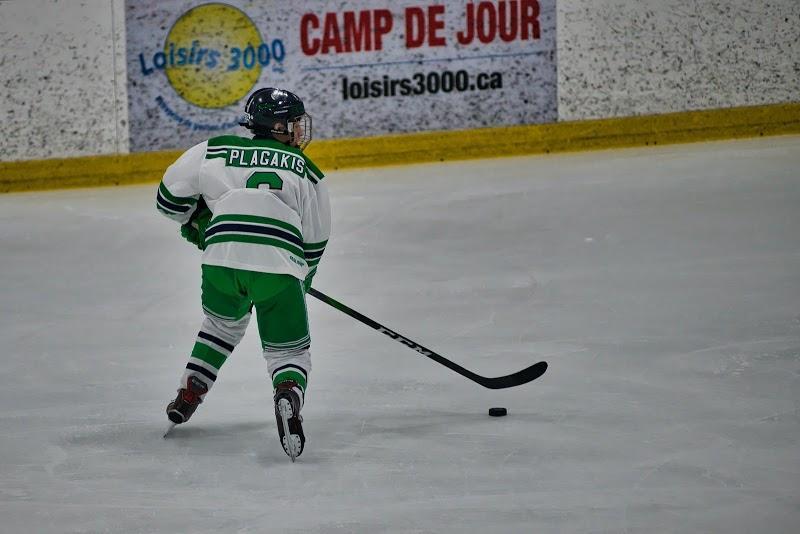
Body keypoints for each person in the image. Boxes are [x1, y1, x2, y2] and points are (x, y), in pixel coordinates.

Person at [156, 88, 330, 461]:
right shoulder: (308, 171)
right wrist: (301, 280)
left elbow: (168, 199)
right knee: (288, 351)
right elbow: (315, 243)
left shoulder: (214, 150)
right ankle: (287, 392)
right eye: (295, 123)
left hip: (221, 261)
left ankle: (191, 389)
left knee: (221, 326)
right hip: (278, 268)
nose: (301, 130)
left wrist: (199, 221)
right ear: (279, 127)